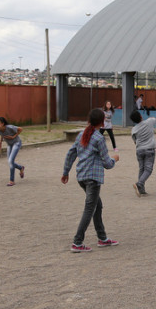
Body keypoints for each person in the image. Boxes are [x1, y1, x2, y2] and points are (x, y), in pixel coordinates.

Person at [61, 108, 120, 253]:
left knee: (97, 206)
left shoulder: (82, 134)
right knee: (90, 208)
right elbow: (107, 163)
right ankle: (77, 242)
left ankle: (102, 238)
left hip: (81, 176)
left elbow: (71, 153)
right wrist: (115, 159)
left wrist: (66, 172)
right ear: (102, 122)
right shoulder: (99, 138)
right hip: (92, 179)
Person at [130, 110, 156, 196]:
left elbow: (135, 141)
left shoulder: (134, 129)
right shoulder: (149, 122)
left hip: (139, 150)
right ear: (141, 116)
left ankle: (141, 190)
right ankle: (139, 183)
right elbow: (154, 119)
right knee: (148, 169)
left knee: (142, 168)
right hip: (149, 149)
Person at [0, 116, 24, 186]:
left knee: (10, 161)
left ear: (3, 124)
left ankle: (11, 181)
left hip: (16, 143)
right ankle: (20, 168)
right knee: (10, 162)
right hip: (9, 145)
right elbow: (2, 134)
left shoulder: (10, 127)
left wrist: (14, 136)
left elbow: (20, 129)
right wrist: (0, 142)